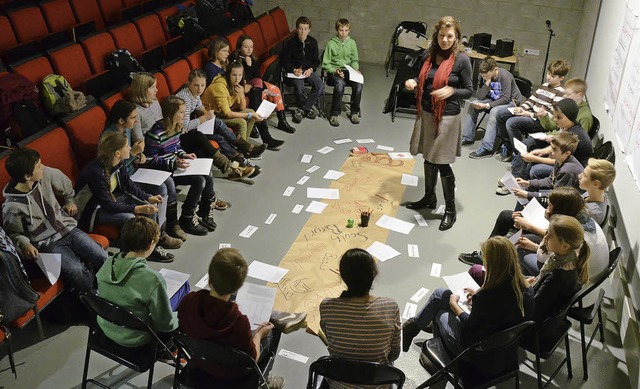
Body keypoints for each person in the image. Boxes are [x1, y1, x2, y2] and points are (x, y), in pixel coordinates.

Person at [178, 248, 307, 389]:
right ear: (236, 288)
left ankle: (275, 315)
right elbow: (252, 358)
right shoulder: (238, 322)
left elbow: (183, 327)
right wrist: (258, 334)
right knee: (273, 329)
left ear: (209, 278)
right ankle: (264, 379)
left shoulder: (189, 301)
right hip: (234, 377)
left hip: (200, 363)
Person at [402, 236, 534, 360]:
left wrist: (455, 306)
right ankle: (414, 325)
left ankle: (440, 353)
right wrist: (477, 298)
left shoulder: (487, 296)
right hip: (502, 348)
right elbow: (495, 313)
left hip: (473, 349)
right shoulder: (526, 289)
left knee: (439, 311)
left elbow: (470, 323)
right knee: (440, 294)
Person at [2, 148, 107, 293]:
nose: (43, 167)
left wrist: (70, 200)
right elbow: (14, 233)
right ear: (27, 176)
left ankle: (108, 288)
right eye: (38, 166)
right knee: (76, 270)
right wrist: (25, 244)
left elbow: (66, 186)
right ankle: (93, 296)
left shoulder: (45, 175)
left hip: (69, 230)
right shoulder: (11, 206)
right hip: (48, 243)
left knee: (101, 255)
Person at [404, 15, 473, 231]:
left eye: (449, 36)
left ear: (457, 37)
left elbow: (469, 89)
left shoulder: (461, 59)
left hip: (448, 116)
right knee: (428, 156)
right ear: (437, 35)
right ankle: (429, 198)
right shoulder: (429, 54)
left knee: (441, 161)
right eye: (442, 36)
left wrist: (452, 90)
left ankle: (450, 210)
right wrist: (414, 81)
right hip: (426, 111)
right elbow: (422, 76)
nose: (445, 40)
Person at [75, 133, 173, 263]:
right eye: (126, 146)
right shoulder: (95, 172)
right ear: (117, 153)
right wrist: (138, 209)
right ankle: (128, 257)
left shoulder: (119, 163)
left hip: (113, 200)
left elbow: (129, 185)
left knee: (148, 203)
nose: (129, 148)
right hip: (93, 210)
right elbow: (108, 205)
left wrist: (147, 198)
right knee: (130, 218)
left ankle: (150, 246)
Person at [101, 100, 185, 248]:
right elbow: (115, 170)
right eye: (133, 117)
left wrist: (139, 156)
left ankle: (167, 226)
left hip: (131, 173)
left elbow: (127, 160)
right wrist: (133, 153)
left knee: (168, 183)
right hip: (122, 182)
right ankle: (156, 237)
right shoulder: (109, 139)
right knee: (161, 190)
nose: (136, 120)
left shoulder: (125, 129)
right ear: (121, 120)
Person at [319, 249, 400, 388]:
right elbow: (394, 354)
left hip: (338, 383)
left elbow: (330, 339)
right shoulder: (390, 307)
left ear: (343, 276)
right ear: (373, 274)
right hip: (376, 383)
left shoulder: (327, 307)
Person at [96, 217, 178, 347]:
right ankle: (168, 348)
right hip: (136, 338)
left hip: (107, 328)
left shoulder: (107, 264)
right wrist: (179, 317)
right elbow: (165, 324)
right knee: (181, 292)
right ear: (151, 244)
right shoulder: (153, 279)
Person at [144, 95, 219, 236]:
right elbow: (150, 159)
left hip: (176, 165)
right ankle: (187, 218)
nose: (185, 115)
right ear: (172, 113)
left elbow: (176, 146)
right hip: (164, 170)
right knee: (199, 180)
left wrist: (184, 154)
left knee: (207, 173)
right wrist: (174, 162)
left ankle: (205, 210)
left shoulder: (177, 127)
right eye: (182, 112)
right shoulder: (155, 134)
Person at [175, 69, 259, 180]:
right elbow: (184, 127)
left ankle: (239, 161)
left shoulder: (195, 94)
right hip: (180, 133)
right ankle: (244, 151)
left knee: (219, 136)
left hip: (193, 128)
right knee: (217, 123)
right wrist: (205, 117)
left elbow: (200, 109)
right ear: (189, 84)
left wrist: (209, 115)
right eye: (196, 85)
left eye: (202, 85)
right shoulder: (184, 98)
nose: (200, 89)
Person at [502, 97, 593, 187]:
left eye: (559, 117)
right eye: (555, 116)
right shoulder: (568, 127)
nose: (555, 119)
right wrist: (540, 152)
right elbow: (557, 147)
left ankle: (520, 184)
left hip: (572, 172)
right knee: (529, 147)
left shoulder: (574, 136)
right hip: (563, 162)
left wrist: (535, 158)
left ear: (569, 117)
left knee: (535, 169)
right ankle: (519, 181)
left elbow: (558, 161)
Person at [493, 59, 569, 162]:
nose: (548, 77)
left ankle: (519, 153)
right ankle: (508, 146)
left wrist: (529, 114)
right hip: (532, 113)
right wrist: (521, 108)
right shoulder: (544, 86)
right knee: (501, 114)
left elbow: (551, 116)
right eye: (548, 73)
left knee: (511, 123)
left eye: (553, 76)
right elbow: (531, 100)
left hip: (541, 121)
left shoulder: (560, 93)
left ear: (561, 78)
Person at [202, 61, 285, 150]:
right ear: (228, 74)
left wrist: (241, 95)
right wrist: (249, 115)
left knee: (251, 112)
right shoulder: (220, 87)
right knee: (242, 121)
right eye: (234, 75)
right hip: (211, 116)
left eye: (240, 75)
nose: (237, 78)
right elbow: (227, 114)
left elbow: (242, 108)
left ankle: (245, 147)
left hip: (221, 113)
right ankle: (244, 150)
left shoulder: (235, 85)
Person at [527, 215, 588, 323]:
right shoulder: (571, 257)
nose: (545, 238)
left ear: (565, 246)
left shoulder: (557, 277)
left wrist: (524, 290)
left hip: (538, 325)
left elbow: (534, 310)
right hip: (544, 310)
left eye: (550, 237)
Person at [230, 34, 296, 133]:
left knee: (276, 90)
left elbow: (257, 76)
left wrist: (250, 64)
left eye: (251, 47)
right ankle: (255, 122)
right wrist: (247, 65)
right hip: (245, 86)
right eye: (246, 47)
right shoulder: (235, 61)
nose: (249, 49)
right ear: (240, 48)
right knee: (259, 92)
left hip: (257, 84)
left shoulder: (252, 58)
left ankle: (282, 120)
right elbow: (243, 77)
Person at [464, 56, 525, 158]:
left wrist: (487, 105)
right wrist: (486, 84)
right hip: (494, 99)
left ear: (495, 69)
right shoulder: (483, 76)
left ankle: (487, 148)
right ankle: (467, 137)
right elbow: (480, 96)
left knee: (494, 111)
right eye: (482, 75)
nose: (484, 77)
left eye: (487, 75)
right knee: (473, 104)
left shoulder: (504, 76)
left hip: (512, 101)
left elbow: (505, 98)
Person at [512, 131, 584, 202]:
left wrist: (528, 195)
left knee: (528, 195)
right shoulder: (560, 160)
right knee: (528, 189)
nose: (550, 151)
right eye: (551, 147)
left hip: (566, 203)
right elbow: (550, 181)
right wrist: (528, 183)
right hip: (558, 194)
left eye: (554, 149)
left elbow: (557, 197)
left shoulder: (567, 171)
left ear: (567, 153)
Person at [281, 16, 324, 124]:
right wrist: (294, 69)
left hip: (308, 70)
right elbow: (285, 61)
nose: (303, 31)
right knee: (299, 88)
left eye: (305, 29)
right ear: (297, 29)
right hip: (295, 72)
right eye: (300, 28)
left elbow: (315, 61)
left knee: (320, 86)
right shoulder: (290, 42)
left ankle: (303, 109)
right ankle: (307, 109)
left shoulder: (313, 42)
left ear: (309, 30)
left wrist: (311, 69)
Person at [321, 18, 363, 127]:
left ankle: (354, 112)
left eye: (346, 30)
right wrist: (335, 71)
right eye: (341, 30)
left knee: (358, 84)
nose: (343, 33)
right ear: (337, 30)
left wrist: (355, 69)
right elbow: (326, 64)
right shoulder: (331, 44)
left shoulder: (352, 43)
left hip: (348, 70)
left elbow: (354, 60)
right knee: (340, 84)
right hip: (334, 71)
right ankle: (334, 114)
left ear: (349, 30)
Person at [579, 158, 615, 226]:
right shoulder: (591, 194)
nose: (579, 176)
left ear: (596, 184)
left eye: (584, 175)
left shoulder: (593, 213)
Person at [129, 72, 163, 141]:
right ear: (142, 90)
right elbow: (138, 139)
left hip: (163, 138)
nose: (156, 90)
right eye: (153, 87)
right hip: (151, 145)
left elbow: (162, 122)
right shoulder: (135, 111)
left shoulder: (155, 101)